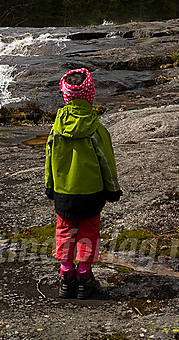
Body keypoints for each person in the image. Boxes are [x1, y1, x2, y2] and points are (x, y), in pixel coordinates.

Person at [44, 68, 122, 299]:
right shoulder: (96, 128)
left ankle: (66, 277)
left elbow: (49, 159)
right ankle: (85, 278)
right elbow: (106, 161)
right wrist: (113, 188)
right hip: (91, 192)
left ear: (66, 95)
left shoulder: (57, 128)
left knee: (64, 232)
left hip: (63, 191)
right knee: (88, 233)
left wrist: (50, 185)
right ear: (90, 95)